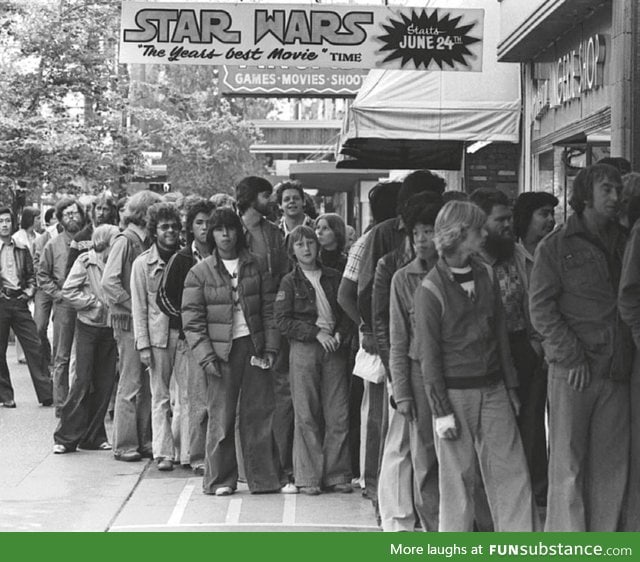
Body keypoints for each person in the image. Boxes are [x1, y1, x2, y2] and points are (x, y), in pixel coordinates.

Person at [414, 200, 535, 532]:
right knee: (457, 481)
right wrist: (441, 412)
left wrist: (510, 388)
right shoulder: (430, 289)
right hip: (454, 394)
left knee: (512, 473)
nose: (484, 234)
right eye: (478, 229)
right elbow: (430, 357)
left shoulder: (486, 274)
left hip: (494, 388)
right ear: (459, 233)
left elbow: (500, 336)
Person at [530, 163, 631, 531]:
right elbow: (540, 308)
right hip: (573, 369)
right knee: (567, 464)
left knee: (610, 465)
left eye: (618, 190)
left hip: (616, 368)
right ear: (585, 195)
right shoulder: (555, 246)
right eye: (607, 189)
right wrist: (569, 355)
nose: (615, 198)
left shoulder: (625, 242)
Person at [182, 208, 289, 496]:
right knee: (222, 417)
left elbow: (269, 311)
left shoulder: (255, 265)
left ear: (238, 232)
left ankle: (264, 479)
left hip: (252, 346)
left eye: (230, 229)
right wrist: (206, 357)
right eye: (219, 230)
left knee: (259, 414)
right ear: (212, 235)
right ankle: (220, 480)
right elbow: (192, 320)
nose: (225, 235)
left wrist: (270, 347)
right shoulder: (199, 272)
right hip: (220, 352)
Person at [357, 170, 445, 510]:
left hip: (428, 361)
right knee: (398, 441)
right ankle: (392, 510)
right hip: (400, 354)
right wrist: (390, 360)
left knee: (425, 445)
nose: (422, 237)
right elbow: (372, 303)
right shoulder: (385, 243)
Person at [470, 187, 551, 506]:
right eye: (499, 219)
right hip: (482, 355)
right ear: (480, 221)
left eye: (508, 218)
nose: (507, 225)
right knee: (491, 432)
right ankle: (490, 502)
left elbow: (533, 299)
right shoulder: (467, 259)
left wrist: (536, 343)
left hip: (521, 349)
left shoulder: (515, 253)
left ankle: (530, 496)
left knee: (529, 426)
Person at [375, 196, 441, 531]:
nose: (421, 240)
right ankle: (432, 529)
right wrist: (401, 392)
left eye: (428, 231)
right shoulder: (401, 277)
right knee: (424, 458)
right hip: (416, 375)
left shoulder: (463, 271)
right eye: (416, 233)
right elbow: (396, 340)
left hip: (459, 373)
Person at [275, 226, 352, 495]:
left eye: (311, 243)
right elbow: (283, 321)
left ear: (318, 247)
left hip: (335, 348)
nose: (306, 249)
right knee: (306, 413)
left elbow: (346, 311)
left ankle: (337, 473)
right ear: (292, 251)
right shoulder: (289, 282)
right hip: (305, 348)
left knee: (338, 413)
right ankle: (307, 476)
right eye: (300, 245)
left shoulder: (333, 276)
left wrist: (340, 333)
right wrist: (315, 333)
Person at [236, 176, 291, 480]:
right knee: (242, 400)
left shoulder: (273, 233)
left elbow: (283, 274)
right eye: (267, 196)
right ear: (253, 198)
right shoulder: (232, 231)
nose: (272, 202)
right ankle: (244, 467)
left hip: (271, 318)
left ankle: (271, 464)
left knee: (272, 396)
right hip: (242, 321)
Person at [103, 190, 162, 462]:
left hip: (140, 321)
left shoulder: (145, 241)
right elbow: (109, 282)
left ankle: (143, 439)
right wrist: (133, 305)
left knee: (146, 383)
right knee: (131, 382)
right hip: (127, 322)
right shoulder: (124, 241)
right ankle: (124, 443)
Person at [157, 198, 214, 475]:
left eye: (208, 222)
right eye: (199, 223)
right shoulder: (181, 259)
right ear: (190, 228)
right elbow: (163, 298)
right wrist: (187, 323)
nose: (205, 228)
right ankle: (196, 455)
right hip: (189, 340)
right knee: (194, 398)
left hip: (222, 336)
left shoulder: (223, 255)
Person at [52, 225, 120, 453]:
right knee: (82, 380)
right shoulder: (86, 261)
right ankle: (65, 437)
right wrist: (93, 303)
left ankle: (94, 435)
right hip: (89, 326)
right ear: (105, 242)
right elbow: (68, 290)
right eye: (115, 240)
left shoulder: (117, 262)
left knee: (104, 383)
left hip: (110, 327)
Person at [131, 202, 183, 471]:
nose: (170, 231)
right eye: (164, 227)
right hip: (157, 337)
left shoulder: (187, 258)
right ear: (154, 231)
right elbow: (138, 307)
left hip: (185, 335)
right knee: (160, 396)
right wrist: (143, 344)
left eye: (174, 226)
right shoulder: (142, 264)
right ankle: (163, 452)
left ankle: (185, 450)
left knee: (184, 397)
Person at [0, 207, 52, 408]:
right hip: (1, 302)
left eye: (7, 221)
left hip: (19, 301)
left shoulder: (21, 247)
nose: (4, 225)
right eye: (1, 221)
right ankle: (6, 395)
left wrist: (29, 293)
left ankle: (46, 393)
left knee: (35, 345)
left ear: (13, 223)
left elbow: (32, 275)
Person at [37, 197, 85, 415]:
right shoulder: (53, 245)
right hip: (65, 305)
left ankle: (83, 402)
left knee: (86, 355)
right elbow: (42, 275)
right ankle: (61, 403)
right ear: (60, 219)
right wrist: (58, 295)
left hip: (87, 304)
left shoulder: (89, 240)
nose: (72, 217)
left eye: (75, 213)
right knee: (62, 355)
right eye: (67, 214)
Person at [66, 193, 118, 275]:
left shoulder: (117, 235)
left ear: (111, 212)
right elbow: (69, 270)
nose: (101, 213)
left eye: (105, 209)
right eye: (98, 208)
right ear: (93, 210)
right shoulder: (80, 237)